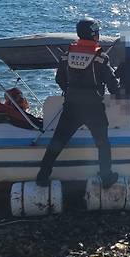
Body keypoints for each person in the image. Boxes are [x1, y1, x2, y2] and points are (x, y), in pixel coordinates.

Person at [36, 17, 120, 188]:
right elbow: (113, 86)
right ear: (94, 34)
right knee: (102, 143)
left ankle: (42, 175)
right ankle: (106, 177)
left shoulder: (67, 55)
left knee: (57, 141)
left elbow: (59, 78)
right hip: (94, 107)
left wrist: (70, 90)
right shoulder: (100, 57)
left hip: (72, 106)